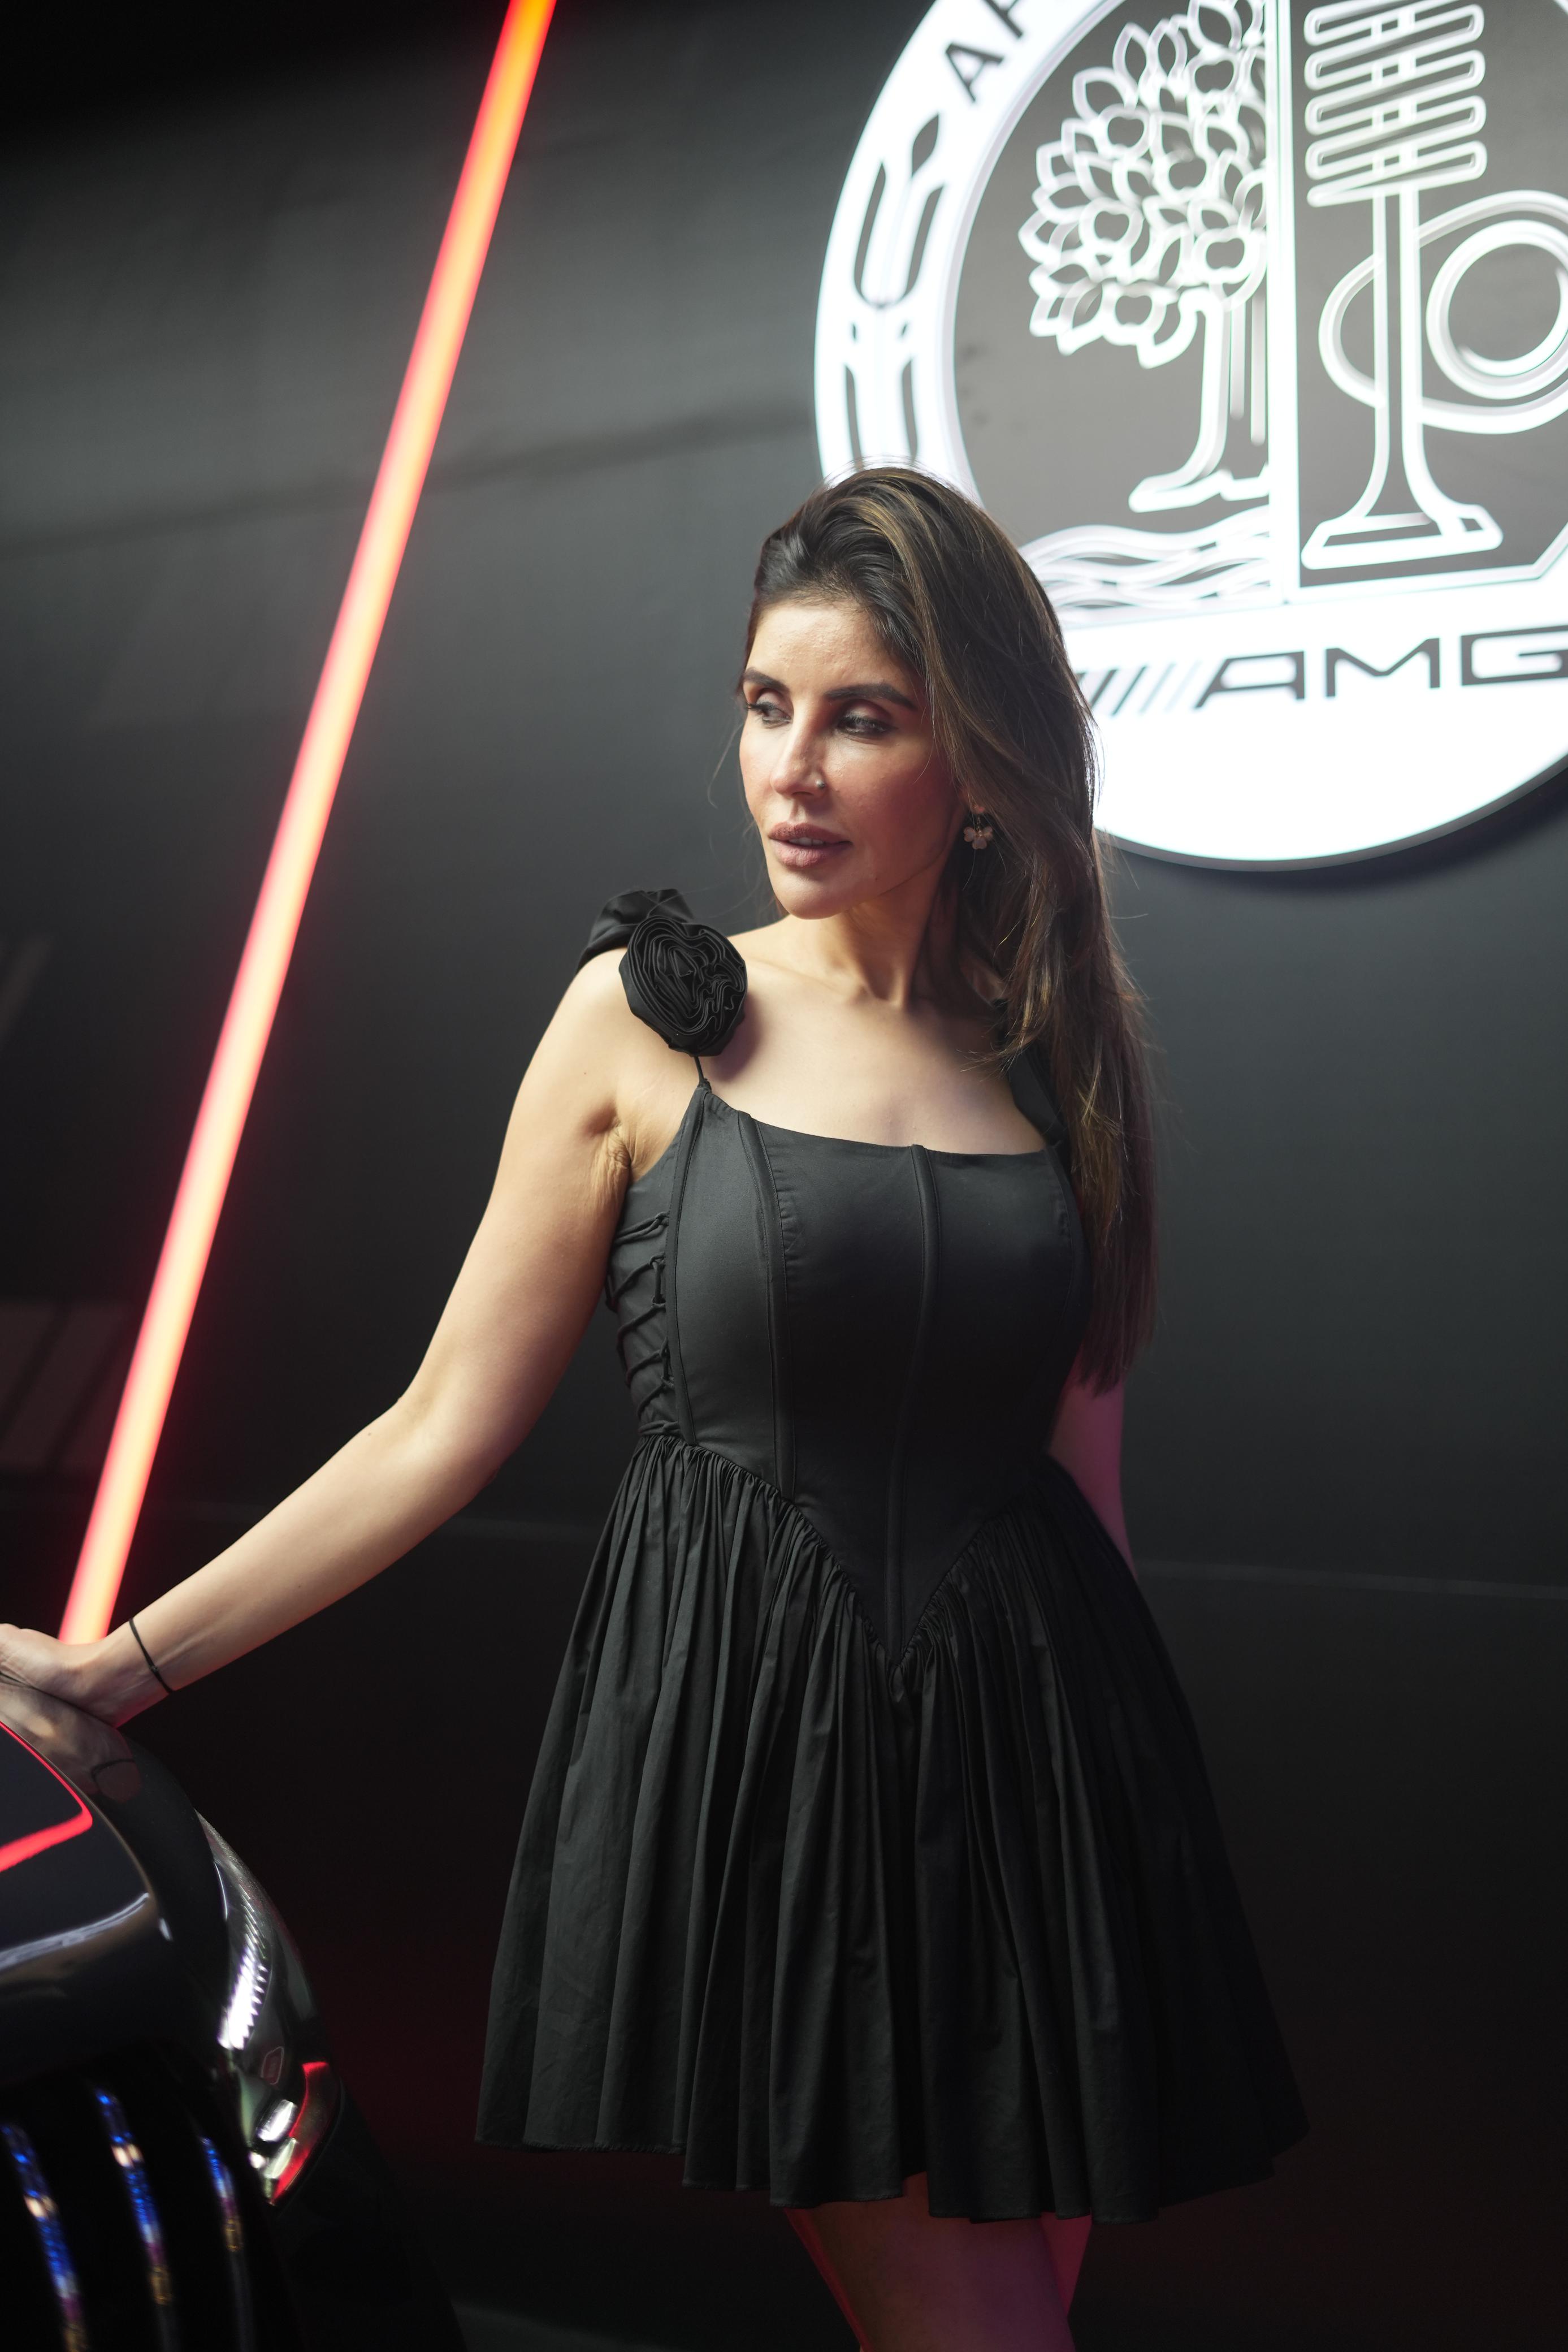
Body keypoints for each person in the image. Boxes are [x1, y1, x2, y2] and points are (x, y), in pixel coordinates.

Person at [0, 468, 1304, 2350]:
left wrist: (1123, 1855)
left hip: (1041, 1794)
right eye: (768, 706)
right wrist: (123, 1669)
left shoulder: (1058, 1054)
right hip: (779, 1768)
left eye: (864, 718)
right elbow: (442, 1423)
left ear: (981, 765)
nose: (793, 771)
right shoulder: (645, 1017)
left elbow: (1085, 1493)